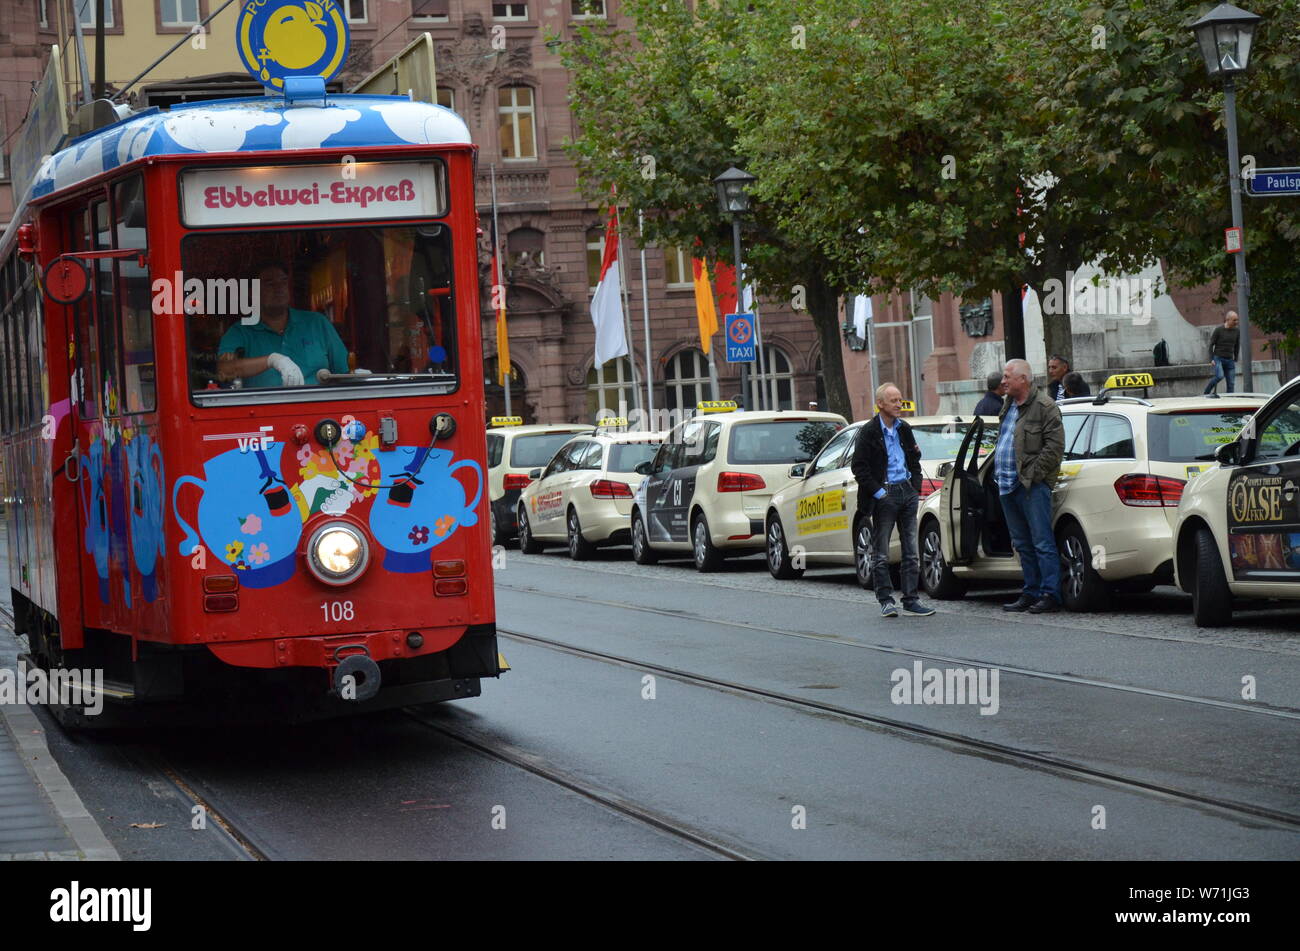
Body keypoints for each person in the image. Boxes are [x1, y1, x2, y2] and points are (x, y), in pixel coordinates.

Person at [850, 383, 935, 619]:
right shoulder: (869, 431)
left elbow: (915, 458)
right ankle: (886, 600)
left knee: (911, 550)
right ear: (880, 404)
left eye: (900, 400)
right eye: (894, 400)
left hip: (906, 491)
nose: (899, 404)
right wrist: (880, 494)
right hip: (884, 494)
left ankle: (911, 599)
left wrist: (914, 486)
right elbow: (859, 467)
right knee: (882, 552)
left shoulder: (903, 428)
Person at [997, 359, 1066, 614]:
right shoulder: (1008, 404)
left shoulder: (1045, 407)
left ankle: (1050, 594)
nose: (1002, 381)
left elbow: (1055, 447)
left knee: (1041, 541)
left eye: (1007, 377)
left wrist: (1032, 475)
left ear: (1022, 380)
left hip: (1030, 486)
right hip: (1006, 485)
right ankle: (1031, 591)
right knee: (1022, 544)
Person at [217, 264, 350, 387]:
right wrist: (271, 360)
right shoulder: (240, 331)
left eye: (283, 282)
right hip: (262, 410)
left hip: (320, 408)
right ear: (252, 292)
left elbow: (343, 373)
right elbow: (224, 368)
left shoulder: (317, 323)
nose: (279, 288)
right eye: (270, 284)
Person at [1204, 311, 1240, 394]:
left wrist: (1236, 357)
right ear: (1227, 319)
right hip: (1218, 358)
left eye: (1237, 320)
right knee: (1219, 376)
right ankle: (1206, 392)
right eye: (1234, 320)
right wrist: (1211, 359)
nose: (1236, 322)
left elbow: (1237, 345)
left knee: (1231, 383)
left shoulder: (1237, 331)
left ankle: (1230, 401)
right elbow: (1211, 345)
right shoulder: (1218, 330)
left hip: (1230, 360)